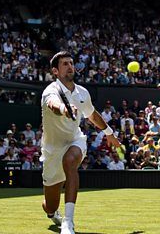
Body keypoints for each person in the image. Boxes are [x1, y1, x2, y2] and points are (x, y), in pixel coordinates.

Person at [39, 51, 121, 234]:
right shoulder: (50, 91)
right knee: (49, 206)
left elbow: (91, 115)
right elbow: (53, 104)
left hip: (74, 140)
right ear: (55, 71)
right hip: (52, 151)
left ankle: (68, 222)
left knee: (71, 161)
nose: (69, 66)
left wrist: (109, 133)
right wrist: (64, 109)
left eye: (71, 63)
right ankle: (53, 213)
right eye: (64, 64)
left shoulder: (82, 92)